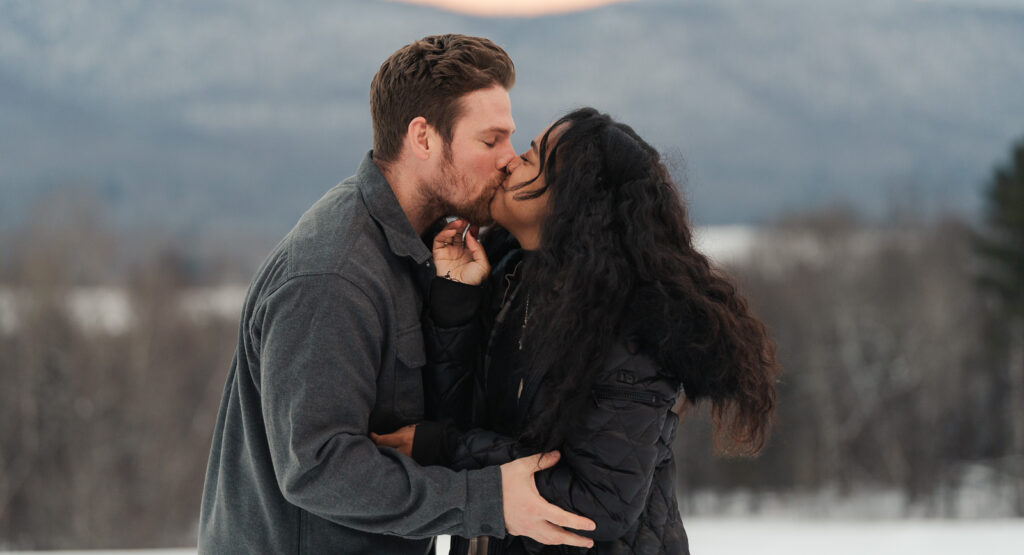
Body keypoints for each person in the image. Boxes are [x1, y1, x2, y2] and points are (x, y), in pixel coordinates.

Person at [198, 35, 596, 554]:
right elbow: (318, 467)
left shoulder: (427, 252)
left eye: (510, 139)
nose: (509, 159)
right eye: (490, 140)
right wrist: (487, 500)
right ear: (423, 138)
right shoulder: (332, 275)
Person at [374, 107, 780, 554]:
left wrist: (446, 449)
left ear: (570, 199)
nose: (509, 162)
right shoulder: (511, 274)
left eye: (529, 159)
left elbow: (600, 502)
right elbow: (462, 416)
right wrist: (456, 303)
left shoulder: (631, 326)